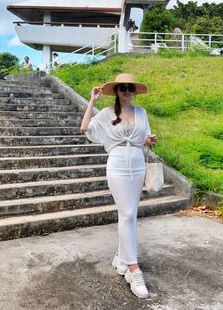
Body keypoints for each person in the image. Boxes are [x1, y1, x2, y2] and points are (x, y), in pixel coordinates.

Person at [80, 73, 158, 299]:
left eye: (130, 88)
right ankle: (134, 269)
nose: (126, 91)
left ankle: (121, 258)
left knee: (131, 215)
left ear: (134, 91)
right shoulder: (106, 114)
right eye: (122, 87)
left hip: (137, 164)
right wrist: (92, 101)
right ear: (115, 91)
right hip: (117, 166)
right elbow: (85, 128)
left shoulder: (141, 112)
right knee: (126, 213)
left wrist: (149, 140)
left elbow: (143, 138)